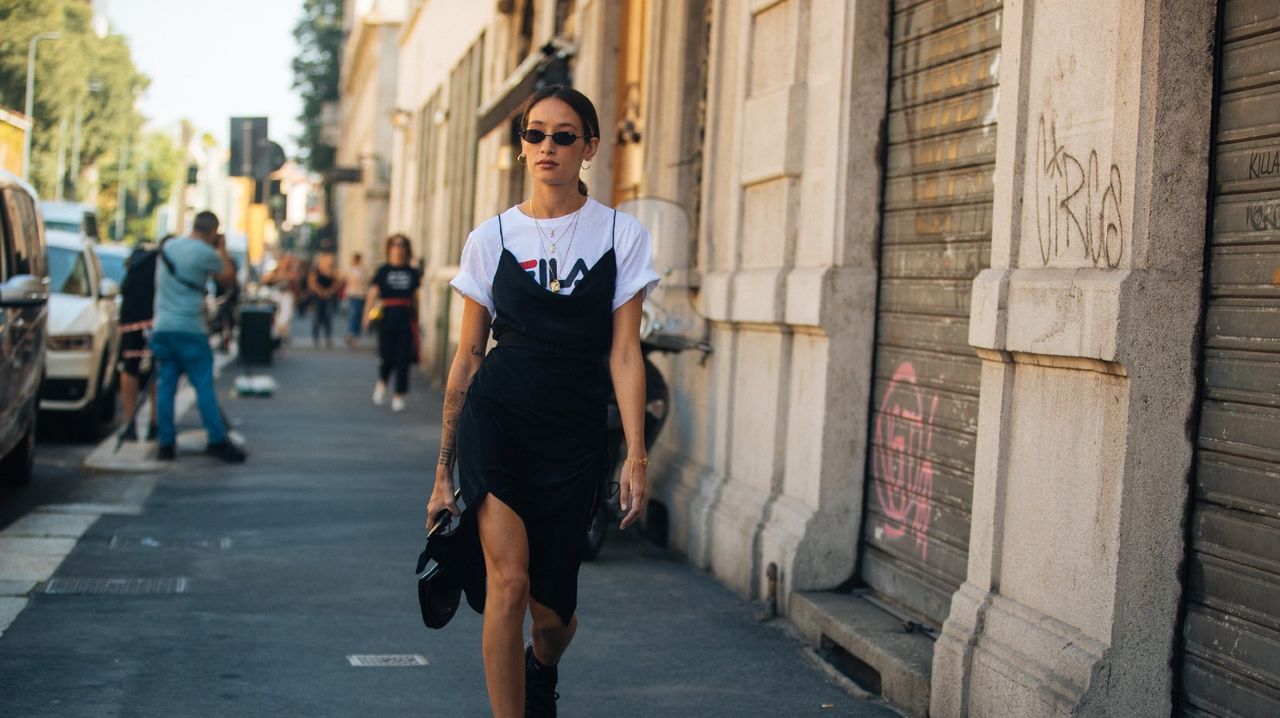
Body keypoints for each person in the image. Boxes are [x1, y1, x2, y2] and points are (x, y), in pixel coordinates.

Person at [429, 85, 659, 717]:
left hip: (574, 432)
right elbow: (469, 355)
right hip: (498, 419)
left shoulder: (621, 233)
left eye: (563, 135)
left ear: (588, 147)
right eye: (535, 133)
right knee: (508, 583)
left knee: (554, 618)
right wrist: (442, 471)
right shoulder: (491, 236)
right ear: (522, 144)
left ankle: (540, 669)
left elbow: (624, 354)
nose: (547, 146)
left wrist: (634, 455)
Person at [149, 211, 246, 463]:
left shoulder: (168, 247)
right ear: (213, 232)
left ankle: (165, 442)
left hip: (163, 326)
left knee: (166, 385)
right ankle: (216, 439)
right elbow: (228, 278)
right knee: (203, 385)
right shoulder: (206, 253)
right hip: (190, 328)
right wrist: (221, 249)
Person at [362, 234, 420, 413]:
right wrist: (366, 316)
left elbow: (416, 297)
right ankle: (383, 380)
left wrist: (418, 319)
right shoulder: (383, 271)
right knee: (386, 356)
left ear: (406, 249)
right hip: (386, 317)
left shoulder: (412, 272)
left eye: (402, 245)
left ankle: (399, 395)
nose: (398, 248)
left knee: (403, 358)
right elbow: (373, 294)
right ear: (389, 248)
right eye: (394, 245)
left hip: (405, 318)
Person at [115, 237, 164, 442]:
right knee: (157, 371)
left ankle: (129, 424)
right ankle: (154, 424)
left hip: (130, 320)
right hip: (155, 319)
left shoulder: (137, 263)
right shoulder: (163, 263)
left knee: (130, 369)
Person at [307, 251, 340, 348]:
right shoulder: (316, 270)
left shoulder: (332, 271)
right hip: (317, 298)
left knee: (328, 318)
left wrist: (329, 291)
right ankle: (316, 338)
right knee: (317, 318)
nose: (329, 261)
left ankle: (327, 338)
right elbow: (311, 283)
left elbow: (338, 282)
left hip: (329, 298)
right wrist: (320, 291)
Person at [344, 252, 368, 348]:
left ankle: (355, 335)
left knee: (359, 315)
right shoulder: (351, 270)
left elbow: (366, 281)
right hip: (353, 294)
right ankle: (351, 333)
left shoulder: (363, 270)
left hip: (362, 295)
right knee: (354, 314)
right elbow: (349, 281)